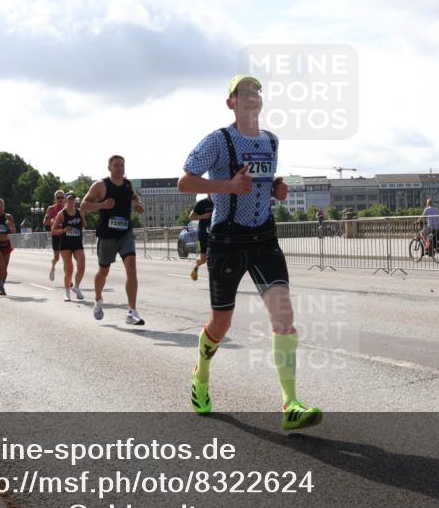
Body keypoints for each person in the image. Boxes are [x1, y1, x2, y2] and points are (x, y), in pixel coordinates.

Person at [177, 74, 322, 431]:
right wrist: (227, 185)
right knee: (221, 323)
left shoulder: (271, 141)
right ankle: (201, 376)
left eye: (257, 91)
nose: (252, 97)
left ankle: (290, 404)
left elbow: (263, 181)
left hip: (264, 239)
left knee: (283, 317)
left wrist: (277, 188)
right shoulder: (218, 140)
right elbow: (184, 182)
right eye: (245, 92)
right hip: (227, 240)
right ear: (231, 102)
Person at [80, 155, 147, 325]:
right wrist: (101, 205)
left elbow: (135, 198)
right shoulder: (100, 186)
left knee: (131, 268)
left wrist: (139, 205)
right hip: (107, 235)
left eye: (122, 165)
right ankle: (98, 298)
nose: (119, 168)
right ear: (109, 167)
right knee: (104, 271)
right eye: (116, 165)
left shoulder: (128, 184)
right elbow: (84, 205)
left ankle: (132, 311)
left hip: (125, 233)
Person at [51, 192, 87, 301]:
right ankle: (67, 291)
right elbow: (53, 230)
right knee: (69, 269)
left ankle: (76, 286)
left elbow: (85, 225)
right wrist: (63, 230)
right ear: (66, 201)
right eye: (69, 199)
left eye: (73, 199)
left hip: (77, 243)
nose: (71, 201)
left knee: (82, 266)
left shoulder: (80, 212)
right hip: (66, 244)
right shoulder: (62, 214)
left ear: (75, 200)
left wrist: (83, 220)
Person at [188, 196, 213, 281]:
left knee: (214, 256)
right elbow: (191, 217)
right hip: (203, 234)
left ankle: (215, 278)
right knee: (203, 259)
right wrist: (203, 216)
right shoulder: (201, 203)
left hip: (217, 234)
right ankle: (196, 267)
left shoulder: (219, 202)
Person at [43, 190, 66, 282]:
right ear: (55, 199)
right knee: (57, 257)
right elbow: (45, 222)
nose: (60, 199)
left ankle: (68, 278)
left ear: (64, 198)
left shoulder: (67, 208)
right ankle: (53, 266)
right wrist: (51, 219)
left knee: (66, 257)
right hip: (55, 234)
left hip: (65, 234)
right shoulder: (51, 208)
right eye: (58, 198)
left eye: (62, 197)